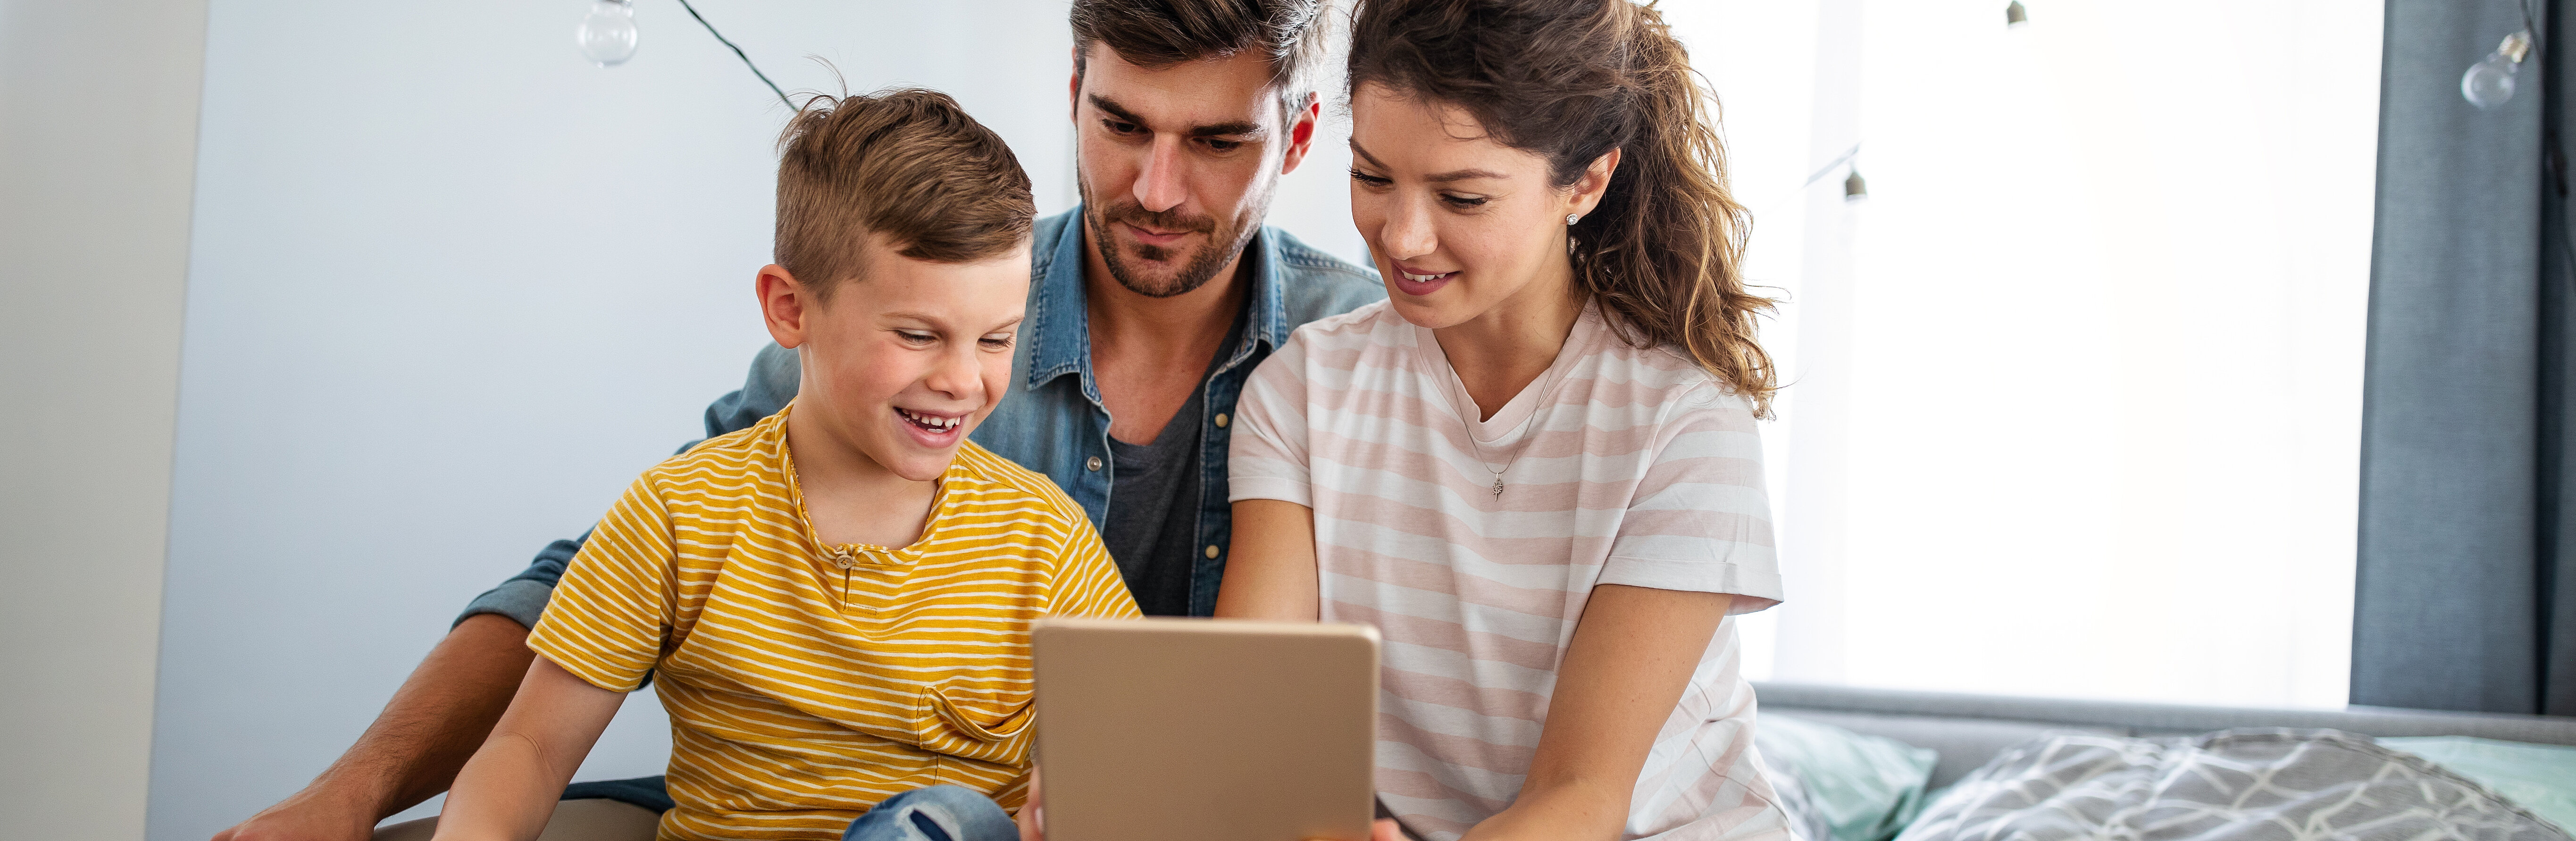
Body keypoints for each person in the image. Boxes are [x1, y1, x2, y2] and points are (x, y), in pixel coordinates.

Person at [214, 1, 1380, 839]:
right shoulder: (873, 328)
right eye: (1123, 127)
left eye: (1219, 143)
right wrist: (356, 786)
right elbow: (587, 593)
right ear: (1073, 95)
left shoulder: (1358, 356)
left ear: (1299, 135)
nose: (1160, 188)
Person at [425, 88, 1140, 841]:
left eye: (996, 340)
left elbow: (1138, 750)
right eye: (919, 335)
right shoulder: (681, 515)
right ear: (790, 308)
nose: (964, 381)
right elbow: (531, 749)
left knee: (954, 820)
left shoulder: (1043, 540)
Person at [1215, 0, 1793, 839]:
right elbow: (1255, 724)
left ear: (1585, 184)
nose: (1403, 237)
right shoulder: (1302, 392)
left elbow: (1583, 795)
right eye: (1372, 176)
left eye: (1462, 197)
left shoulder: (1686, 421)